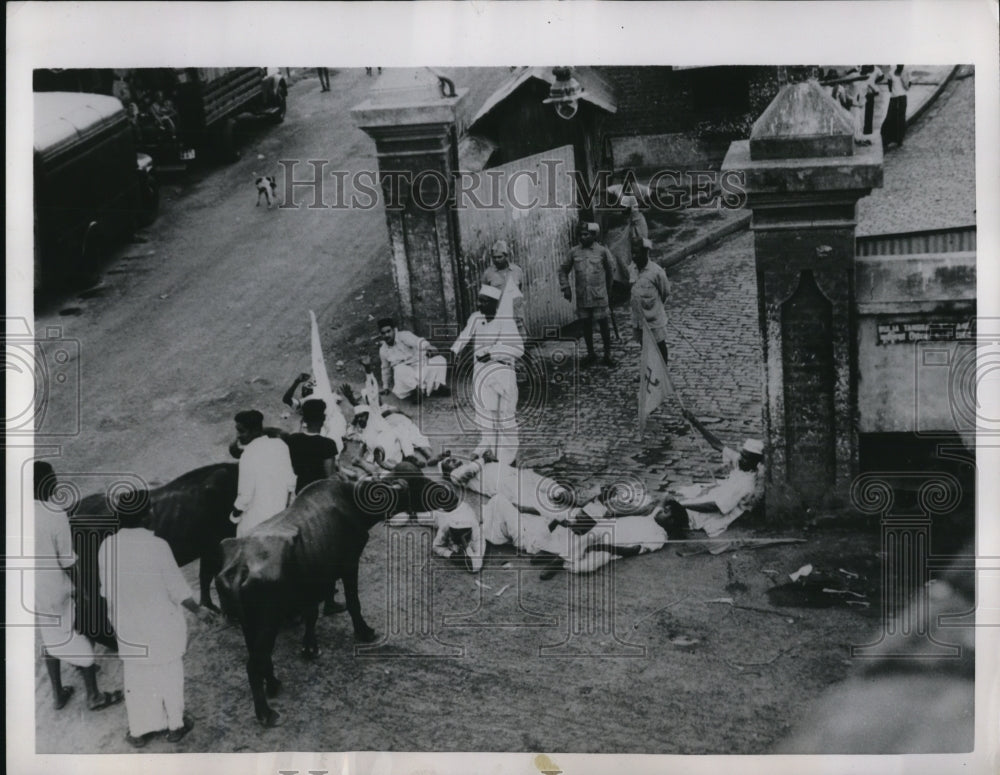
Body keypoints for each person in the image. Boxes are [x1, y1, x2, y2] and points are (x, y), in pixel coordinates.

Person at [98, 488, 214, 747]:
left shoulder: (107, 546)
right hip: (161, 627)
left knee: (137, 678)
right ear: (144, 517)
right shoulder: (157, 546)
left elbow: (107, 592)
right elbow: (177, 590)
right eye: (150, 508)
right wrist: (200, 611)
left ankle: (139, 731)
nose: (153, 511)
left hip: (128, 627)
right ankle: (175, 726)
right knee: (169, 675)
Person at [32, 462, 124, 712]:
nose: (55, 481)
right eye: (51, 477)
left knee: (49, 636)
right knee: (80, 631)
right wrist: (84, 591)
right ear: (42, 483)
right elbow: (68, 560)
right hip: (57, 589)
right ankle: (93, 695)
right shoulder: (53, 513)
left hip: (32, 589)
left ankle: (58, 694)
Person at [450, 285, 524, 467]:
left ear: (494, 304)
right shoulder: (476, 318)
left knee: (505, 417)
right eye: (479, 300)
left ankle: (508, 457)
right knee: (485, 413)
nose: (479, 304)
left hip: (502, 373)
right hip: (482, 373)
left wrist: (493, 354)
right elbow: (464, 335)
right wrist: (454, 351)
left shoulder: (506, 321)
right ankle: (487, 446)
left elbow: (518, 349)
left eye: (484, 301)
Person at [673, 422, 765, 537]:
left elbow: (715, 507)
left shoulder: (746, 486)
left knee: (673, 512)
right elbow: (717, 444)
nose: (741, 459)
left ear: (755, 462)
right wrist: (695, 422)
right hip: (715, 497)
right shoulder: (742, 463)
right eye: (742, 455)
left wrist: (683, 505)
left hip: (714, 514)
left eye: (746, 458)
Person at [230, 410, 296, 537]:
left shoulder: (247, 456)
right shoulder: (281, 445)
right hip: (280, 520)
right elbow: (291, 484)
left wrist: (234, 516)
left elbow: (245, 497)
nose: (238, 435)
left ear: (255, 431)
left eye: (241, 431)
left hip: (255, 525)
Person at [440, 456, 575, 519]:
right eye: (449, 462)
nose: (453, 461)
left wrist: (487, 459)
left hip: (512, 473)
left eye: (452, 458)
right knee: (530, 498)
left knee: (538, 481)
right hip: (502, 484)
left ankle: (561, 494)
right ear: (447, 472)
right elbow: (466, 474)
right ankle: (563, 515)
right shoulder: (455, 476)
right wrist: (483, 459)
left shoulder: (472, 462)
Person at [559, 222, 617, 367]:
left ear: (593, 235)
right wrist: (566, 287)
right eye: (581, 235)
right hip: (582, 296)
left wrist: (609, 291)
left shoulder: (602, 252)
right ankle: (591, 353)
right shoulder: (574, 252)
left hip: (599, 295)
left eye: (586, 234)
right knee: (586, 325)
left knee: (604, 324)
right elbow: (563, 270)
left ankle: (607, 354)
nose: (583, 237)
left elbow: (611, 271)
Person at [378, 317, 448, 401]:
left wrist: (427, 346)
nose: (386, 335)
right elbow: (385, 368)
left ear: (393, 330)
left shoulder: (404, 336)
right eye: (383, 333)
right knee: (399, 369)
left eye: (388, 331)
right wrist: (385, 386)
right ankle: (416, 391)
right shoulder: (383, 350)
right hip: (406, 375)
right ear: (381, 334)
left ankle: (437, 386)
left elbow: (418, 341)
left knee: (440, 360)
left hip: (420, 365)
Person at [630, 238, 672, 366]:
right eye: (632, 253)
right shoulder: (631, 269)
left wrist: (655, 307)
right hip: (639, 318)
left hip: (654, 317)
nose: (634, 256)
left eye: (637, 253)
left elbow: (665, 292)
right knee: (644, 345)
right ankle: (647, 373)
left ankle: (663, 372)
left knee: (659, 344)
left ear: (645, 253)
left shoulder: (657, 272)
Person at [284, 399, 339, 494]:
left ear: (304, 419)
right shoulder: (328, 444)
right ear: (323, 418)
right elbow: (330, 478)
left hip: (298, 490)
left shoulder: (292, 440)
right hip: (317, 495)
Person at [482, 239, 527, 337]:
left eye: (499, 257)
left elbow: (520, 289)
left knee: (521, 345)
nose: (496, 260)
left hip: (517, 318)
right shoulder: (488, 274)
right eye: (494, 258)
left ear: (506, 256)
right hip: (500, 320)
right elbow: (485, 300)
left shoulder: (517, 271)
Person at [881, 65, 911, 149]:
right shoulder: (891, 73)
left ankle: (899, 139)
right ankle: (887, 139)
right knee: (890, 118)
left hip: (902, 98)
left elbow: (908, 85)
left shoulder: (905, 73)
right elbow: (889, 86)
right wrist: (894, 92)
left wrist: (903, 80)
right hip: (894, 98)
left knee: (901, 119)